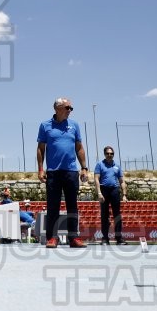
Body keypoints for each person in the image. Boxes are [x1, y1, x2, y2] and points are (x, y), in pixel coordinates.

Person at [37, 97, 89, 249]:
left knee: (72, 206)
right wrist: (40, 169)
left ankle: (74, 238)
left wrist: (84, 167)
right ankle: (52, 238)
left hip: (71, 172)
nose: (70, 111)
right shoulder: (45, 125)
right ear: (57, 108)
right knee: (53, 206)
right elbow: (41, 149)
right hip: (53, 172)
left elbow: (79, 147)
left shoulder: (74, 125)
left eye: (70, 108)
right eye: (67, 108)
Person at [94, 145, 127, 245]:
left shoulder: (117, 166)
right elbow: (96, 179)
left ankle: (119, 238)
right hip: (104, 190)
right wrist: (99, 193)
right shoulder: (100, 164)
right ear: (104, 154)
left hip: (114, 190)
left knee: (117, 215)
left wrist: (124, 194)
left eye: (111, 153)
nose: (109, 155)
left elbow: (122, 181)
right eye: (108, 153)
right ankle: (105, 238)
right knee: (105, 215)